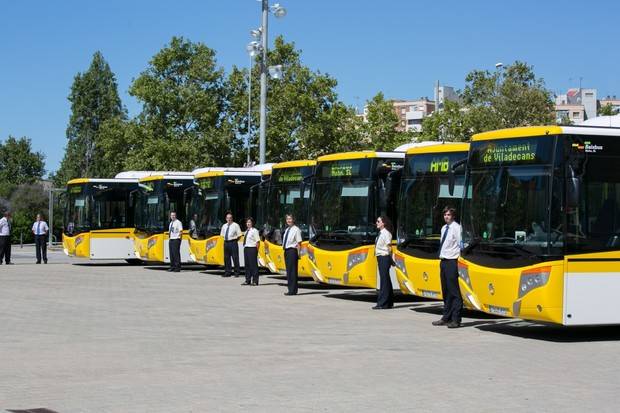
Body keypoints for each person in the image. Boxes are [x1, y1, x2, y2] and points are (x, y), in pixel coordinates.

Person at [432, 206, 463, 328]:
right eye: (445, 214)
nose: (446, 217)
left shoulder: (456, 228)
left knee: (454, 291)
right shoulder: (444, 228)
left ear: (453, 216)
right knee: (445, 291)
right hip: (443, 261)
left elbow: (461, 244)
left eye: (449, 215)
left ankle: (456, 319)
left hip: (452, 261)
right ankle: (446, 317)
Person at [373, 216, 394, 310]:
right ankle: (389, 302)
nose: (376, 223)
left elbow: (389, 248)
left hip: (384, 258)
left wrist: (390, 260)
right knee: (386, 280)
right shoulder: (381, 233)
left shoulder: (386, 233)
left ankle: (382, 303)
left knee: (384, 281)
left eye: (378, 221)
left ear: (383, 223)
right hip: (380, 258)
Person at [282, 214, 302, 296]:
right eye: (287, 219)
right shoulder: (287, 230)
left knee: (292, 271)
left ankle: (293, 290)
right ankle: (290, 289)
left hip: (292, 251)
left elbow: (299, 243)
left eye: (290, 219)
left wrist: (298, 254)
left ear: (293, 220)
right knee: (289, 271)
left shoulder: (296, 229)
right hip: (286, 251)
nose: (288, 220)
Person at [220, 212, 242, 277]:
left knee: (235, 258)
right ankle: (227, 272)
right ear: (226, 219)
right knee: (226, 258)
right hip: (226, 242)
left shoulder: (236, 225)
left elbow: (239, 235)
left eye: (230, 218)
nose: (229, 219)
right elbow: (222, 235)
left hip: (233, 242)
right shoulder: (224, 226)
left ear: (232, 218)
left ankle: (236, 272)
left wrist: (235, 240)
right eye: (227, 218)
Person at [241, 217, 260, 286]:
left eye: (249, 222)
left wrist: (256, 251)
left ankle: (255, 281)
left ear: (252, 223)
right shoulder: (246, 231)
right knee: (247, 265)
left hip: (252, 249)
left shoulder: (254, 231)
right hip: (246, 248)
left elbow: (258, 242)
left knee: (253, 265)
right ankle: (247, 280)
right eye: (247, 222)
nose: (248, 223)